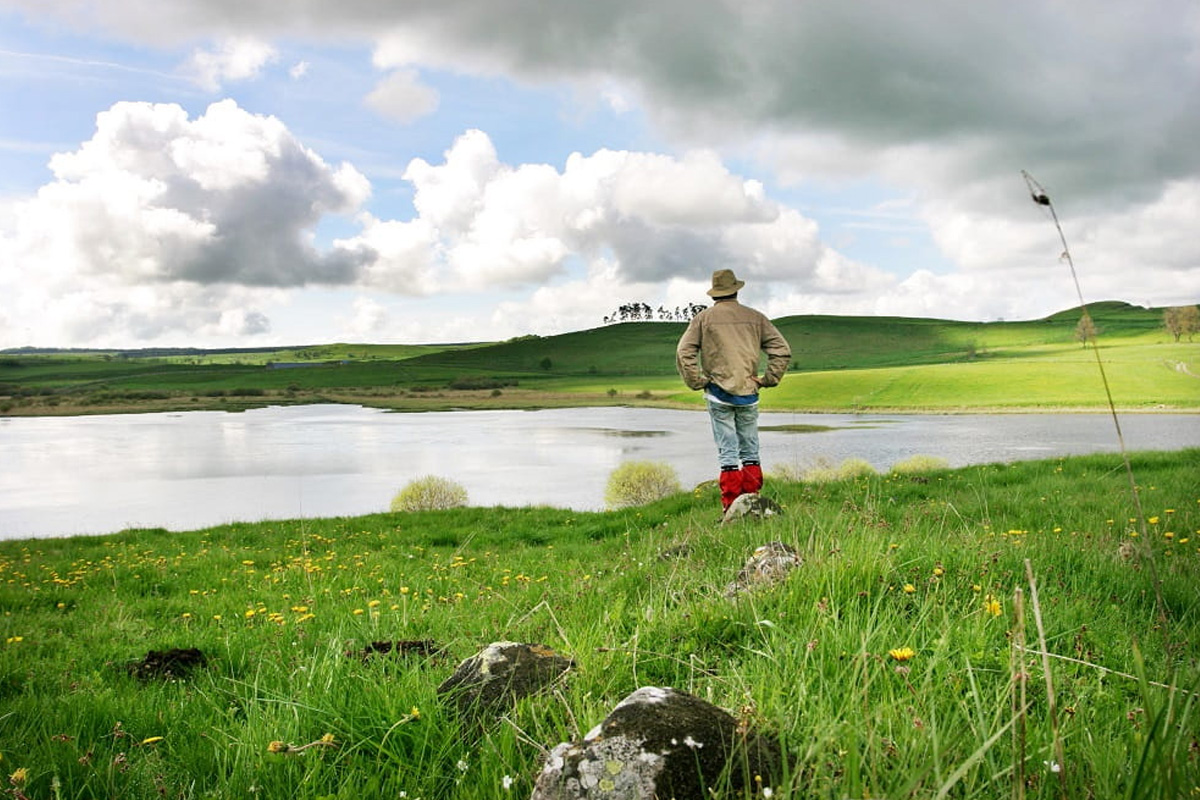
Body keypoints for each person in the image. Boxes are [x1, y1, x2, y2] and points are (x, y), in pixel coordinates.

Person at [676, 269, 792, 512]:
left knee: (728, 452)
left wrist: (698, 381)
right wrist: (767, 379)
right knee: (750, 448)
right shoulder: (755, 317)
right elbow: (781, 350)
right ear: (737, 290)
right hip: (749, 392)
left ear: (714, 294)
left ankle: (730, 506)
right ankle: (752, 501)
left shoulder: (703, 319)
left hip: (717, 393)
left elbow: (683, 352)